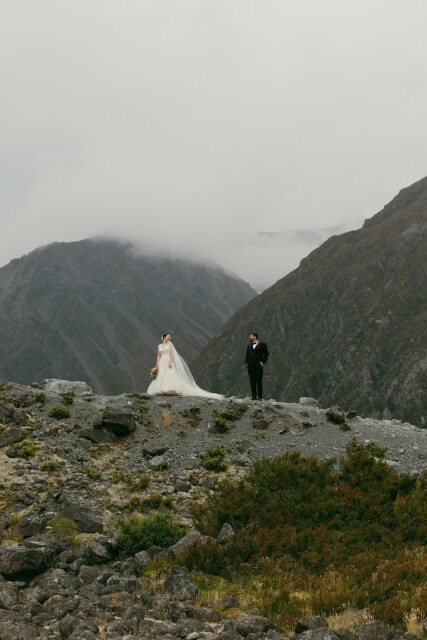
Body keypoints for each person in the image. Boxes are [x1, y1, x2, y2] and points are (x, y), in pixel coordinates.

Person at [147, 333, 223, 398]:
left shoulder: (170, 345)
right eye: (168, 336)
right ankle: (160, 389)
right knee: (161, 374)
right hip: (162, 361)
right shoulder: (159, 346)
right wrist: (157, 364)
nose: (170, 338)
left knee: (169, 374)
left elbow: (172, 354)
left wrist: (170, 361)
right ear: (164, 337)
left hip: (168, 360)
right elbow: (159, 355)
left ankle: (169, 389)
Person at [245, 332, 269, 400]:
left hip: (258, 366)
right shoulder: (248, 345)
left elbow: (266, 354)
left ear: (254, 337)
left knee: (259, 381)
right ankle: (254, 396)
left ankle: (260, 397)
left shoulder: (262, 344)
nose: (249, 337)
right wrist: (246, 362)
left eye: (250, 336)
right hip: (250, 366)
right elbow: (247, 355)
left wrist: (263, 362)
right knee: (252, 381)